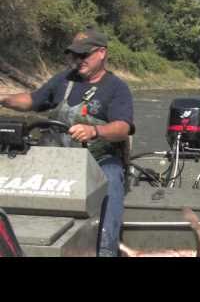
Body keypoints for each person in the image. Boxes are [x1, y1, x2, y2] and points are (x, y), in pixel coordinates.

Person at [0, 27, 135, 257]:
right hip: (57, 160)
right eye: (74, 55)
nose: (77, 60)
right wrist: (4, 99)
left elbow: (123, 128)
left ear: (102, 53)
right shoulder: (63, 79)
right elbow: (31, 100)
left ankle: (104, 249)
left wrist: (95, 130)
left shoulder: (117, 88)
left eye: (84, 55)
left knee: (112, 180)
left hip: (98, 161)